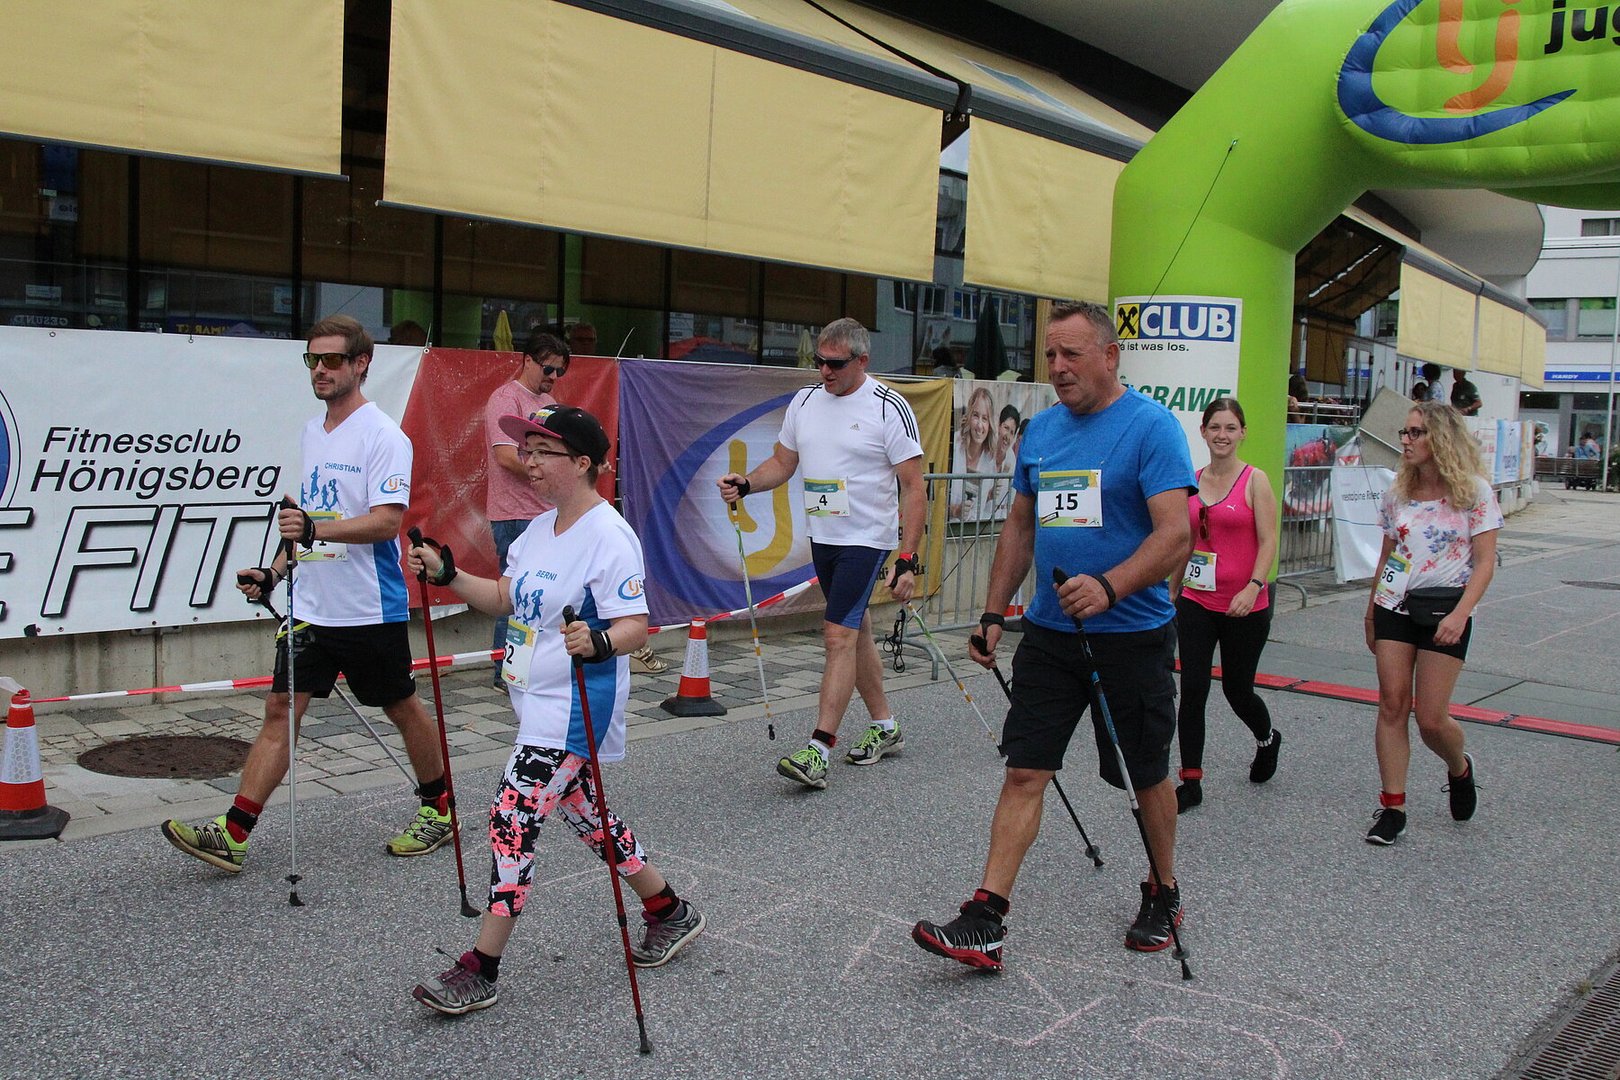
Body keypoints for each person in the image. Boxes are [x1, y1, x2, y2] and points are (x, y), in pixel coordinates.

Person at [911, 300, 1194, 970]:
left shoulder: (1152, 427)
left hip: (1131, 634)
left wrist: (1110, 586)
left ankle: (1163, 890)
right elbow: (1020, 524)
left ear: (1110, 356)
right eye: (1050, 356)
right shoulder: (1040, 431)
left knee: (1144, 773)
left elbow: (1176, 534)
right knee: (1025, 769)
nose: (1058, 367)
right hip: (1049, 633)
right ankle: (986, 917)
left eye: (1072, 353)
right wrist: (992, 612)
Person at [409, 405, 704, 1015]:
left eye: (544, 451)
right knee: (587, 815)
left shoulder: (610, 535)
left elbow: (635, 625)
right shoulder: (540, 529)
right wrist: (447, 573)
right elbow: (504, 597)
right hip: (534, 700)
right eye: (528, 450)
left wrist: (598, 641)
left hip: (575, 707)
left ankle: (481, 967)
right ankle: (669, 909)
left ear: (584, 463)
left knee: (511, 818)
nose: (530, 461)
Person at [160, 314, 454, 873]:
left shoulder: (383, 435)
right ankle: (234, 832)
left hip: (367, 606)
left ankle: (438, 809)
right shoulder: (312, 432)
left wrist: (317, 529)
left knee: (400, 705)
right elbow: (305, 519)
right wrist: (274, 573)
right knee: (279, 709)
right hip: (311, 607)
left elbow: (386, 522)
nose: (320, 369)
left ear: (361, 364)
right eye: (312, 360)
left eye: (332, 360)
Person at [717, 317, 925, 788]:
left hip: (866, 538)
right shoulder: (806, 400)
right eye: (820, 362)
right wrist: (747, 484)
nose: (825, 371)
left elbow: (914, 487)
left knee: (837, 636)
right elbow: (783, 463)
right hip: (824, 535)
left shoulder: (888, 406)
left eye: (835, 364)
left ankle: (818, 749)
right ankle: (885, 725)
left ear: (862, 361)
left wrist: (907, 558)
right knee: (856, 630)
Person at [1363, 400, 1501, 845]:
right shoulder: (1397, 492)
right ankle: (1393, 807)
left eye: (1416, 433)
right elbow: (1387, 556)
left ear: (1440, 438)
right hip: (1395, 607)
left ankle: (1459, 767)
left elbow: (1485, 564)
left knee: (1431, 719)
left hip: (1446, 611)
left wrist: (1462, 614)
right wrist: (1371, 610)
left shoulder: (1474, 492)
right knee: (1392, 705)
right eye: (1404, 432)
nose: (1406, 440)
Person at [1171, 398, 1280, 813]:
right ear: (1203, 432)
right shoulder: (1193, 481)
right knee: (1193, 689)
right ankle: (1190, 780)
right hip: (1197, 601)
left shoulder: (1255, 480)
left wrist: (1253, 587)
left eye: (1230, 428)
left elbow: (1268, 540)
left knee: (1238, 691)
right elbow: (1186, 542)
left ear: (1242, 433)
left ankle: (1267, 738)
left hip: (1244, 605)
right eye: (1215, 427)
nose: (1222, 435)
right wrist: (1172, 591)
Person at [485, 330, 569, 688]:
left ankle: (524, 666)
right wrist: (546, 472)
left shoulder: (547, 401)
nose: (553, 377)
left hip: (543, 511)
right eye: (548, 368)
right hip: (514, 513)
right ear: (527, 361)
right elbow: (505, 457)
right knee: (514, 594)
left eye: (559, 371)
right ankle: (504, 671)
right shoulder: (505, 398)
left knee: (537, 594)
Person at [949, 386, 1003, 522]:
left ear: (990, 423)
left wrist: (989, 495)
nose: (979, 426)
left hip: (972, 531)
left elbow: (980, 509)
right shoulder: (953, 446)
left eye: (985, 419)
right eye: (975, 416)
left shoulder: (989, 458)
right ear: (968, 416)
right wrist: (955, 511)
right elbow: (935, 499)